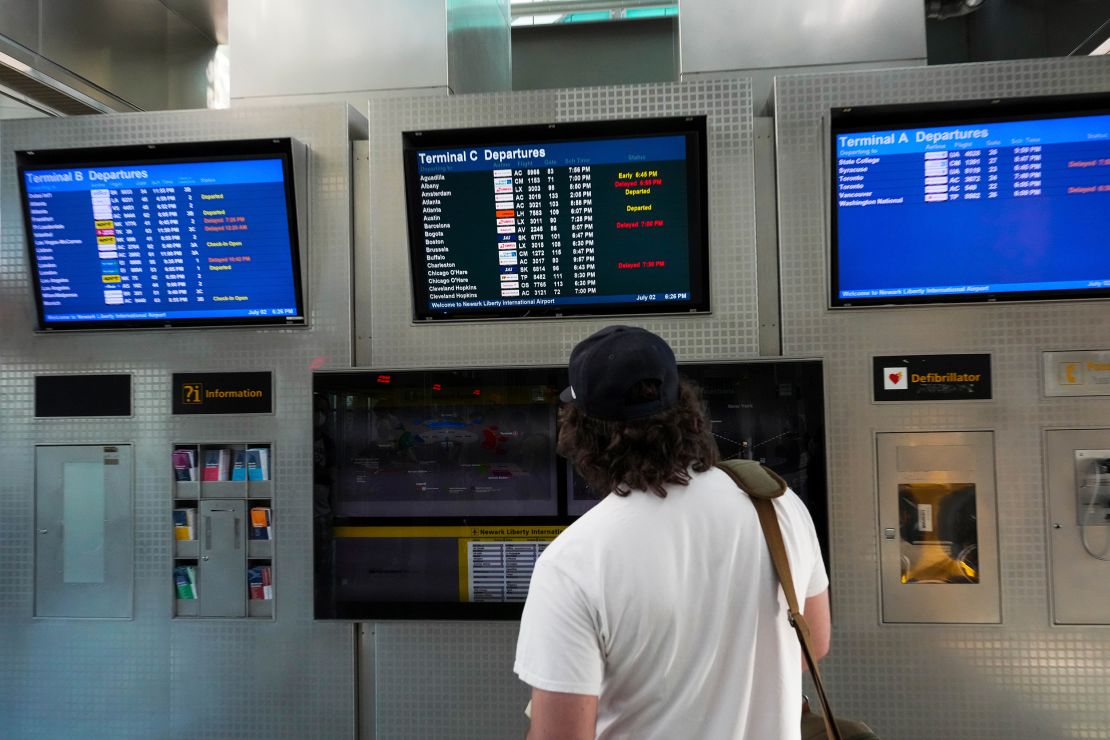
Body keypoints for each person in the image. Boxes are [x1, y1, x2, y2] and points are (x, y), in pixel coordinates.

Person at [514, 325, 830, 740]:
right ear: (687, 410)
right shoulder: (777, 505)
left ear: (582, 431)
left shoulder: (573, 561)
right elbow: (815, 641)